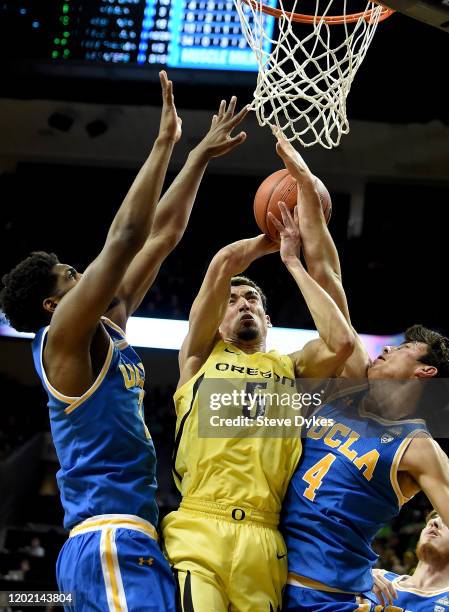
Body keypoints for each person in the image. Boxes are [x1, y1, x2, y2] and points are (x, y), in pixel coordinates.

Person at [0, 73, 249, 611]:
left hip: (117, 537)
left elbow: (162, 236)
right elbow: (126, 236)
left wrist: (199, 156)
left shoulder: (108, 327)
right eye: (70, 275)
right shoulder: (62, 336)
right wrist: (164, 143)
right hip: (109, 534)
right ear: (52, 305)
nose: (83, 275)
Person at [273, 133, 449, 611]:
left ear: (424, 372)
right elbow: (330, 272)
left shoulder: (419, 449)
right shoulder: (348, 384)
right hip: (264, 575)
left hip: (332, 598)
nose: (383, 352)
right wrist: (305, 182)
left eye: (401, 350)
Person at [162, 195, 355, 610]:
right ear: (215, 319)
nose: (243, 304)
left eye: (251, 300)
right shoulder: (200, 357)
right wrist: (267, 239)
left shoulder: (293, 368)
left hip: (265, 535)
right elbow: (221, 265)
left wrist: (293, 263)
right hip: (199, 524)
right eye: (231, 301)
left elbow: (341, 343)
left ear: (268, 320)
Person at [364, 510, 449, 611]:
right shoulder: (374, 578)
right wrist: (356, 582)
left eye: (447, 521)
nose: (434, 522)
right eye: (433, 517)